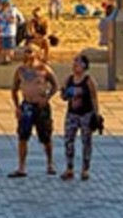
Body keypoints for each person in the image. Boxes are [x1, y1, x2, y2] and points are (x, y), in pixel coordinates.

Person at [8, 46, 58, 178]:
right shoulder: (20, 70)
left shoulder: (43, 69)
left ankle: (50, 163)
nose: (27, 54)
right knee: (23, 136)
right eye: (26, 51)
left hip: (41, 106)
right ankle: (21, 166)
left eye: (30, 51)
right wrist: (17, 107)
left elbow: (55, 85)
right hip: (27, 106)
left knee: (46, 136)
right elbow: (14, 89)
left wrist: (47, 97)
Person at [60, 54, 100, 181]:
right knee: (68, 141)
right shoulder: (69, 79)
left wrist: (96, 114)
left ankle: (85, 169)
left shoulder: (88, 80)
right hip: (72, 114)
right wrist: (66, 93)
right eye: (74, 62)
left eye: (77, 62)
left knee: (86, 142)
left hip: (85, 114)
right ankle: (69, 168)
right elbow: (63, 96)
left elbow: (94, 97)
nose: (74, 65)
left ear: (84, 65)